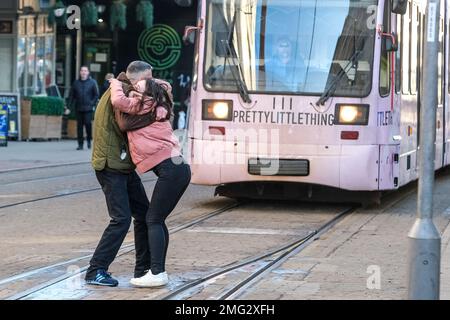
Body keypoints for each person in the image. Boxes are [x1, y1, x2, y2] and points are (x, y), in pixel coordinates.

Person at [109, 75, 191, 287]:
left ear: (147, 93)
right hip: (177, 167)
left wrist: (115, 83)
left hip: (172, 169)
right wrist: (146, 83)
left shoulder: (142, 104)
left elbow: (118, 101)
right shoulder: (156, 101)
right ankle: (158, 271)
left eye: (138, 87)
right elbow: (164, 84)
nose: (134, 89)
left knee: (152, 219)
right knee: (157, 219)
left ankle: (157, 272)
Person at [86, 61, 155, 287]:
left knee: (144, 214)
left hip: (121, 164)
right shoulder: (123, 93)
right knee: (121, 219)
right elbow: (127, 124)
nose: (151, 83)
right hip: (111, 165)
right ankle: (96, 270)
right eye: (148, 79)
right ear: (136, 80)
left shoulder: (123, 88)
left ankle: (143, 269)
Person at [68, 66, 99, 150]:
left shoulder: (92, 82)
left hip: (88, 108)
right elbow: (71, 96)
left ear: (88, 72)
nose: (83, 72)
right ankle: (80, 144)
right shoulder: (76, 83)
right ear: (80, 72)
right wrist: (69, 107)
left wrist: (92, 103)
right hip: (78, 108)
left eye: (85, 71)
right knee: (79, 127)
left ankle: (89, 139)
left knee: (88, 124)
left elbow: (96, 95)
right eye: (82, 70)